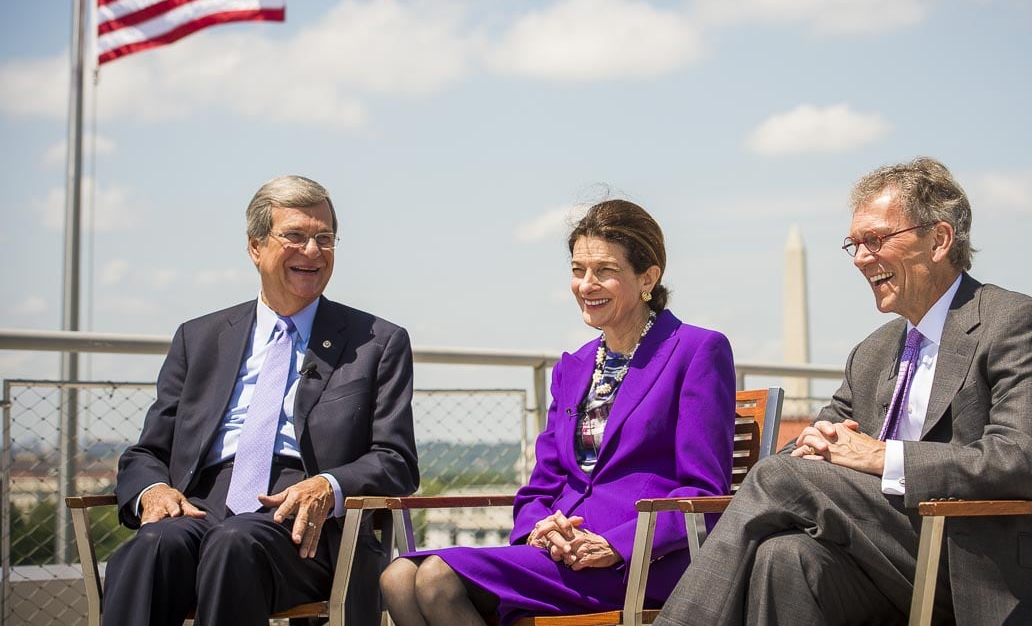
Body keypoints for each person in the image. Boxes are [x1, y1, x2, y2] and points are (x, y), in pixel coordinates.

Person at [656, 157, 1032, 626]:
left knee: (774, 479)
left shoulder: (1014, 321)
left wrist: (883, 457)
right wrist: (813, 449)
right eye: (855, 244)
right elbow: (813, 447)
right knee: (785, 557)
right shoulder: (872, 352)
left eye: (876, 240)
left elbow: (1024, 460)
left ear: (939, 240)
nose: (862, 257)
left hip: (992, 564)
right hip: (897, 558)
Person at [380, 199, 737, 626]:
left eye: (605, 270)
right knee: (398, 576)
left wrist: (617, 546)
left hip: (637, 561)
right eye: (577, 270)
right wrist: (539, 530)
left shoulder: (696, 350)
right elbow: (541, 486)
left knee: (436, 578)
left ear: (648, 277)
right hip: (560, 555)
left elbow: (703, 493)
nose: (587, 285)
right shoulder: (574, 366)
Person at [103, 175, 419, 626]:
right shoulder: (200, 338)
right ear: (255, 247)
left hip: (305, 528)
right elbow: (148, 451)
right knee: (150, 549)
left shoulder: (377, 343)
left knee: (235, 542)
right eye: (294, 235)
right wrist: (153, 491)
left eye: (324, 238)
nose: (312, 251)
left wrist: (327, 485)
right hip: (200, 506)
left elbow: (397, 461)